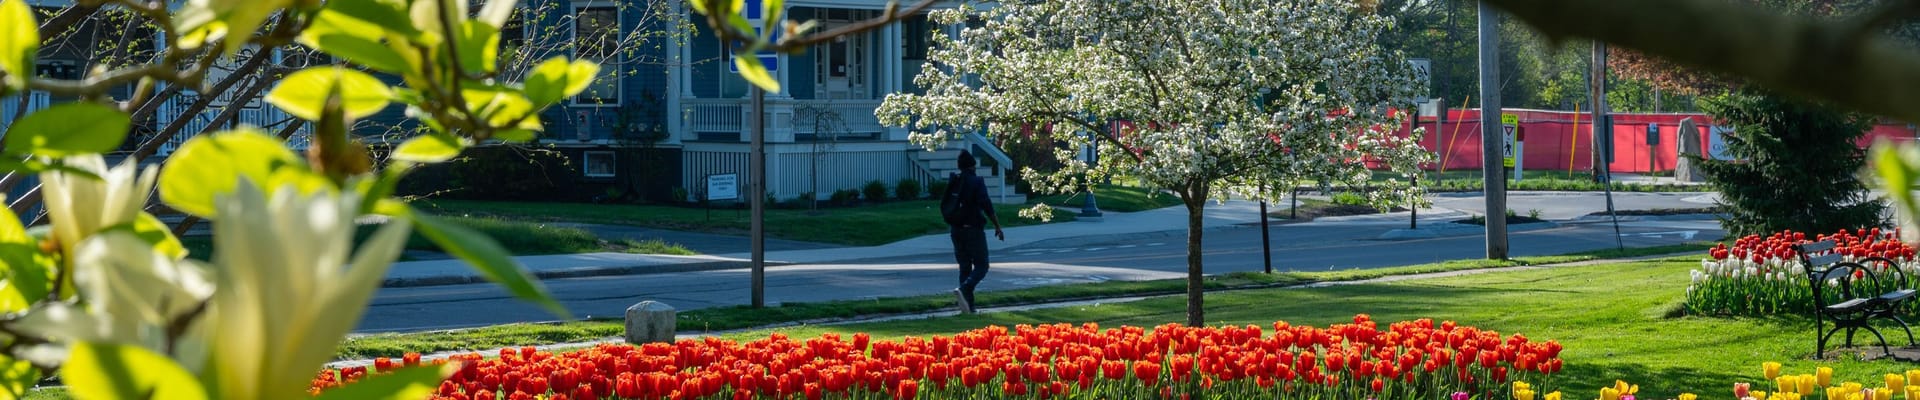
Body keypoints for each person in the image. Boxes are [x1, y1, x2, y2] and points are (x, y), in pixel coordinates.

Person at [947, 150, 1004, 314]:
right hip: (973, 230)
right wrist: (997, 226)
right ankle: (965, 289)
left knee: (964, 267)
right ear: (973, 166)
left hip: (956, 230)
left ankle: (968, 307)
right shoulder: (976, 182)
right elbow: (986, 204)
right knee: (982, 265)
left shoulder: (955, 181)